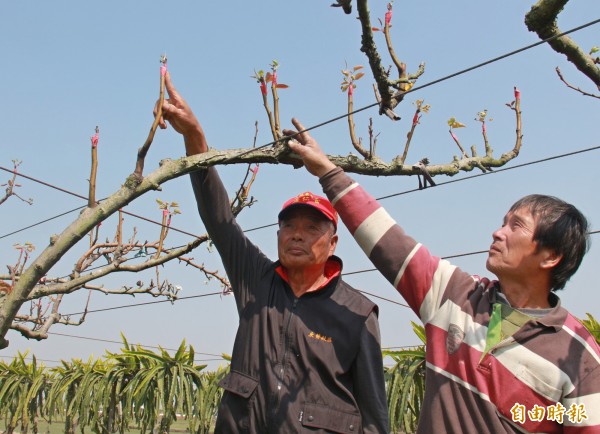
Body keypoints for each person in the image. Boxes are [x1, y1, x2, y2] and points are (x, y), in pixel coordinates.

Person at [284, 118, 600, 434]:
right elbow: (388, 241)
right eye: (503, 222)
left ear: (551, 256)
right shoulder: (456, 294)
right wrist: (328, 171)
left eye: (516, 226)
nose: (497, 232)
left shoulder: (580, 357)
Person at [157, 73, 389, 433]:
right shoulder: (257, 281)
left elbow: (374, 415)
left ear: (333, 243)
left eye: (312, 228)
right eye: (288, 226)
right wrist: (194, 137)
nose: (297, 235)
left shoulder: (357, 313)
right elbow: (220, 220)